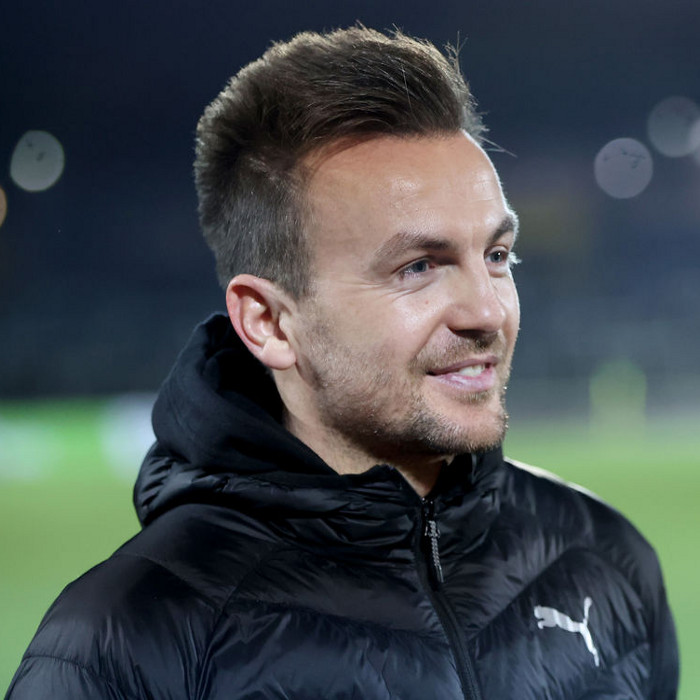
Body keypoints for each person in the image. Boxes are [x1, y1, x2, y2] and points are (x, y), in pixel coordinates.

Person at [7, 26, 678, 700]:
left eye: (497, 256)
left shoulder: (607, 562)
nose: (487, 311)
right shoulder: (124, 642)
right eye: (419, 267)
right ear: (269, 323)